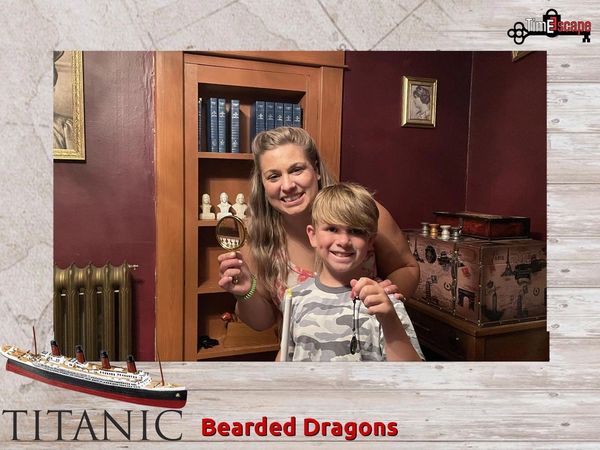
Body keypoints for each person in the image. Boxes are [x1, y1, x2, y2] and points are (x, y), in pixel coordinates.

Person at [218, 127, 419, 332]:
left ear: (316, 170)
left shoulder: (362, 213)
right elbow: (263, 322)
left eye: (297, 170)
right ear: (262, 184)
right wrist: (245, 292)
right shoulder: (257, 238)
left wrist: (387, 299)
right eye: (273, 176)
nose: (287, 185)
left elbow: (407, 268)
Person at [284, 182, 424, 361]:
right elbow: (284, 361)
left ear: (370, 241)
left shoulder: (385, 302)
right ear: (313, 235)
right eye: (332, 229)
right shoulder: (294, 298)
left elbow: (412, 372)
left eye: (356, 231)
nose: (343, 241)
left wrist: (389, 320)